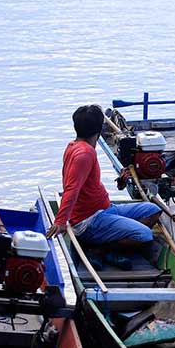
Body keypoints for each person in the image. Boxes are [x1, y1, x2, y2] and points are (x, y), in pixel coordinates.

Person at [46, 105, 162, 268]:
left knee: (153, 210)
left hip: (105, 208)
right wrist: (60, 221)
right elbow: (72, 189)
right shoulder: (84, 154)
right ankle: (100, 249)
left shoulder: (76, 146)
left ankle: (109, 242)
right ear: (99, 129)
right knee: (145, 235)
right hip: (89, 220)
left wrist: (121, 181)